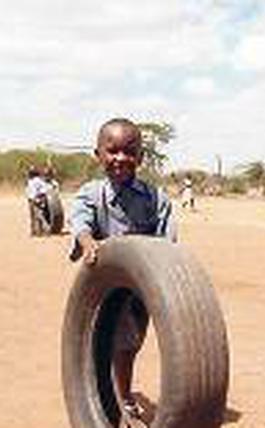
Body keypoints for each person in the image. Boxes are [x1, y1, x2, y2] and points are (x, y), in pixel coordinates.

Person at [68, 118, 176, 427]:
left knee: (129, 344)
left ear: (140, 157)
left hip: (142, 288)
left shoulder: (156, 198)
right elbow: (81, 224)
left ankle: (118, 397)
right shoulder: (91, 193)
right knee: (112, 345)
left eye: (129, 152)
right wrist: (88, 243)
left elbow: (168, 242)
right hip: (102, 286)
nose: (120, 159)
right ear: (98, 154)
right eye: (112, 151)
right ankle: (121, 402)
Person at [25, 166, 51, 236]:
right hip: (32, 200)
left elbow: (43, 191)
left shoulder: (37, 181)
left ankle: (46, 229)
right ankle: (35, 231)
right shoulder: (31, 181)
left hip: (36, 200)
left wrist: (39, 199)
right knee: (33, 217)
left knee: (39, 216)